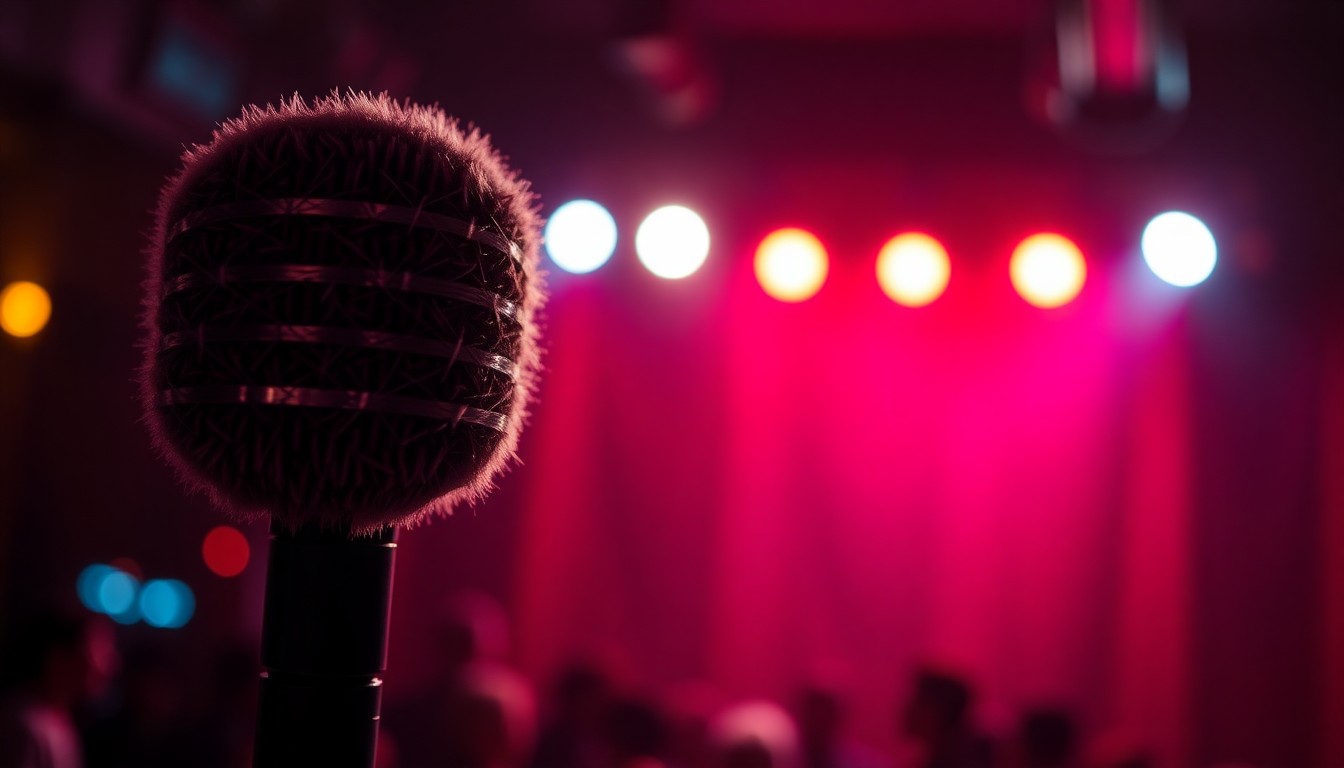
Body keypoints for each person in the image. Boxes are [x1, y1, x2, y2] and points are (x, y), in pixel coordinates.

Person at [0, 612, 117, 768]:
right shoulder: (26, 728)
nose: (113, 664)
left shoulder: (60, 719)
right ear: (57, 657)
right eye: (101, 650)